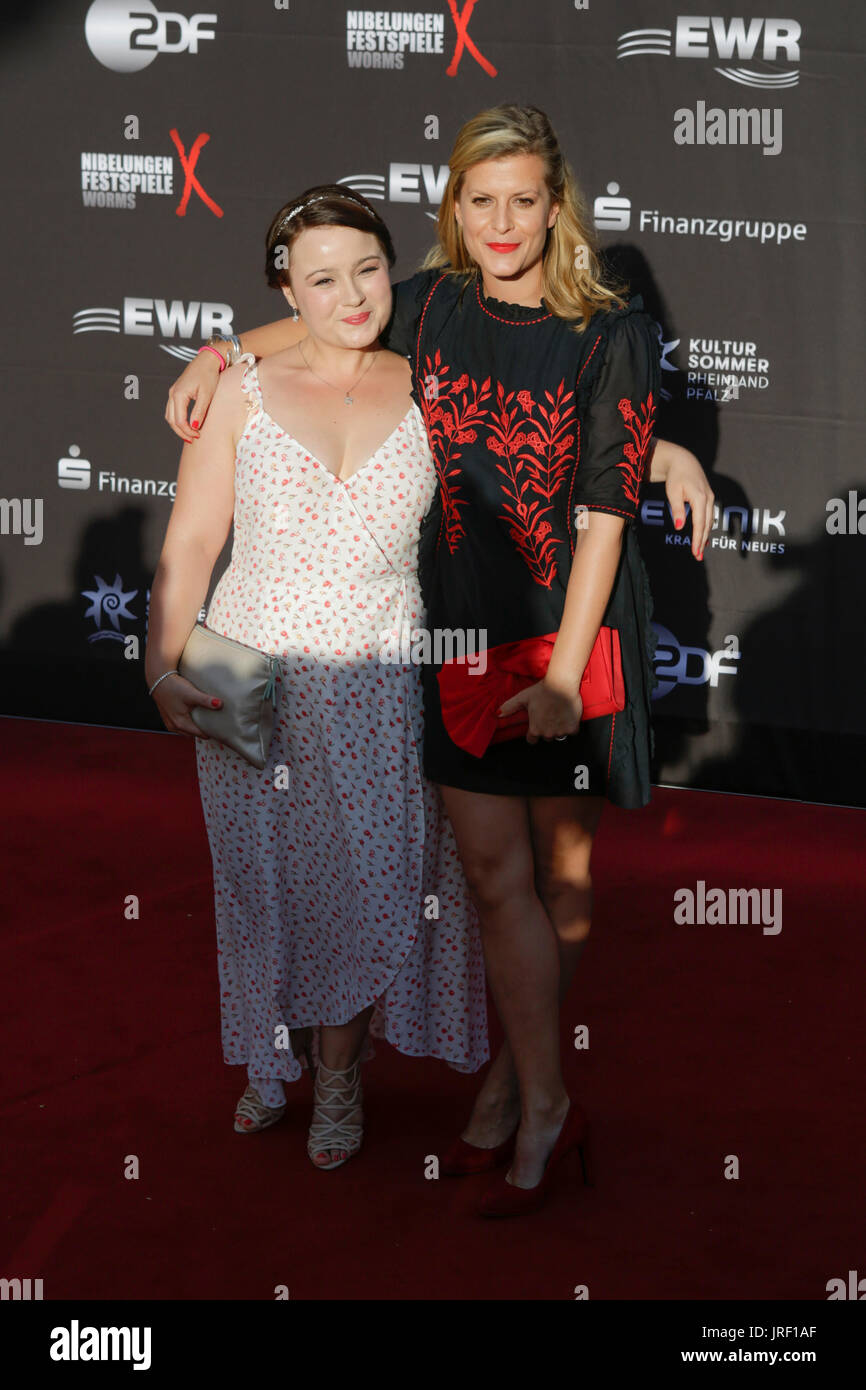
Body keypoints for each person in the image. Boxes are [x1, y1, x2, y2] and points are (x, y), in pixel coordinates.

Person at [164, 106, 715, 1216]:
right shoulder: (427, 305)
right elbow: (316, 327)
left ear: (555, 205)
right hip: (459, 631)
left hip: (572, 627)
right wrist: (217, 349)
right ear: (451, 208)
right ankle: (517, 1092)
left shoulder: (609, 324)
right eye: (480, 200)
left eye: (523, 199)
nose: (502, 221)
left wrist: (661, 453)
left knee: (555, 880)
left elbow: (597, 484)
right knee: (485, 878)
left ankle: (521, 1093)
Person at [145, 185, 489, 1170]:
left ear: (395, 271)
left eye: (368, 269)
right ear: (284, 291)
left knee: (367, 883)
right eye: (322, 277)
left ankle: (338, 1074)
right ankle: (268, 1056)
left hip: (382, 667)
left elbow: (554, 424)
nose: (351, 294)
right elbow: (193, 539)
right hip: (249, 662)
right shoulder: (239, 392)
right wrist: (158, 669)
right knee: (266, 884)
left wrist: (665, 454)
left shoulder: (430, 376)